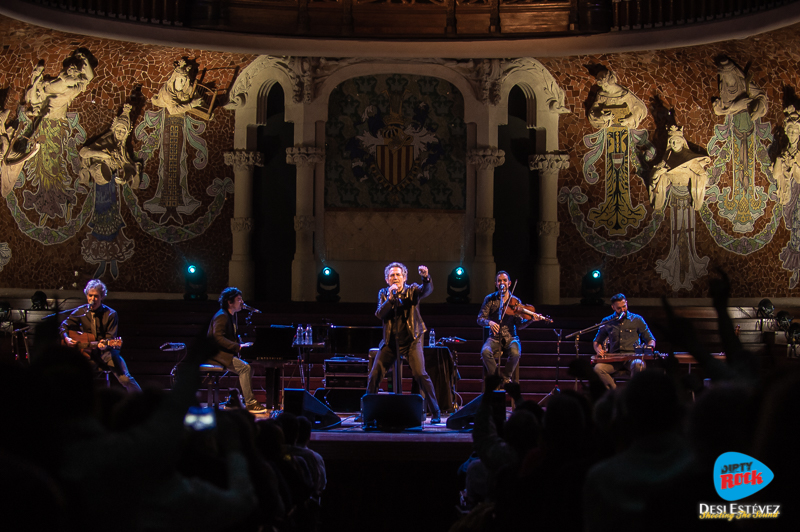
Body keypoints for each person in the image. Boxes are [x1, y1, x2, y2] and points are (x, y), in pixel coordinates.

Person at [367, 262, 441, 423]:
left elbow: (426, 290)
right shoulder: (384, 293)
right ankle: (368, 412)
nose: (395, 278)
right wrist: (391, 298)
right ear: (387, 280)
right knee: (374, 374)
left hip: (411, 340)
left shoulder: (412, 290)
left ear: (404, 277)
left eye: (398, 275)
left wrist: (426, 278)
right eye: (392, 275)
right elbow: (380, 314)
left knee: (420, 374)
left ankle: (435, 411)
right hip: (390, 342)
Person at [60, 279, 141, 393]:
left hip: (106, 353)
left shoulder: (111, 314)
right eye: (90, 296)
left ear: (102, 296)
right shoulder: (81, 311)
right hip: (88, 353)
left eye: (96, 296)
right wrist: (66, 338)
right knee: (72, 377)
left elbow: (110, 338)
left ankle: (143, 404)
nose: (93, 299)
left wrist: (105, 345)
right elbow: (63, 326)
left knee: (126, 379)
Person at [207, 287, 266, 413]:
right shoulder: (222, 316)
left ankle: (233, 400)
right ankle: (250, 403)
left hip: (223, 354)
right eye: (239, 300)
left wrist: (242, 345)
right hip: (216, 355)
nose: (242, 302)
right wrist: (238, 347)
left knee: (249, 369)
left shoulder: (231, 316)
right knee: (245, 368)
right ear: (229, 302)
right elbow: (217, 337)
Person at [477, 271, 539, 385]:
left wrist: (530, 320)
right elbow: (480, 318)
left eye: (504, 281)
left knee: (515, 352)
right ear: (496, 283)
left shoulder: (515, 301)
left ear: (509, 283)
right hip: (494, 337)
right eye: (499, 281)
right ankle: (497, 377)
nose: (502, 283)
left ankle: (506, 377)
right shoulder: (490, 299)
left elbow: (519, 325)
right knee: (485, 352)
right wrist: (489, 322)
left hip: (511, 337)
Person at [592, 293, 655, 390]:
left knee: (639, 365)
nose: (622, 310)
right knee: (598, 369)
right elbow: (597, 341)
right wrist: (598, 349)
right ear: (613, 307)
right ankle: (615, 394)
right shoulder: (607, 321)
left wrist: (649, 348)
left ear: (626, 303)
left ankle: (632, 394)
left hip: (632, 358)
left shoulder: (637, 319)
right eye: (619, 308)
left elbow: (651, 339)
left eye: (624, 306)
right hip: (614, 359)